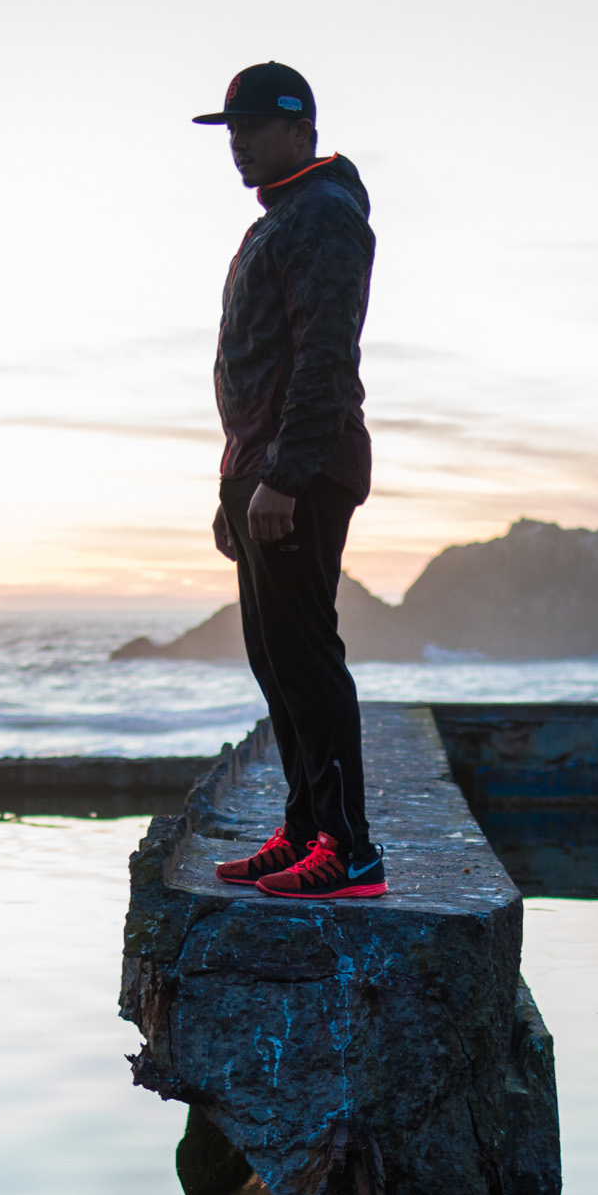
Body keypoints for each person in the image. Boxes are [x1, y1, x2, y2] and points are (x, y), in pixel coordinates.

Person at [191, 61, 385, 899]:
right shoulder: (284, 219)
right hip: (263, 472)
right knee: (275, 659)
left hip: (297, 472)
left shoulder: (325, 216)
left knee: (306, 657)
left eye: (250, 127)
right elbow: (256, 371)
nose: (236, 143)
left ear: (299, 127)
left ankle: (351, 851)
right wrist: (235, 484)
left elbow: (322, 361)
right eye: (228, 129)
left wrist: (283, 478)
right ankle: (307, 830)